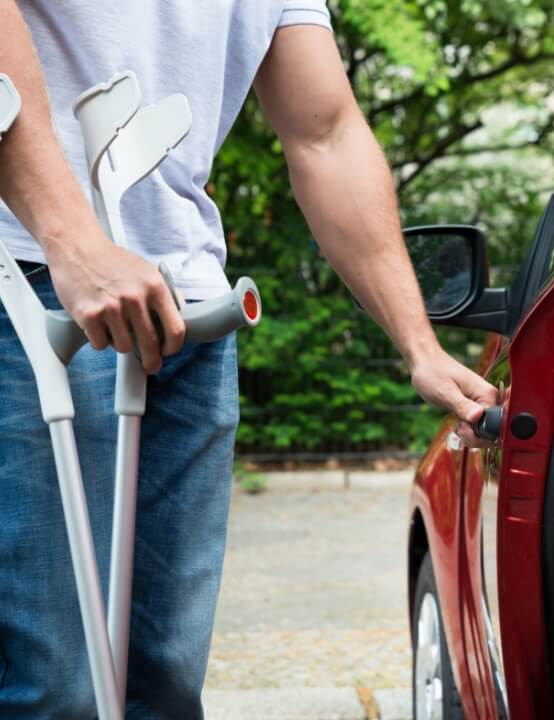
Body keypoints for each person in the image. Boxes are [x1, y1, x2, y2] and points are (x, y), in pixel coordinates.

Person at [0, 1, 497, 717]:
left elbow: (325, 133)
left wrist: (419, 344)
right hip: (32, 282)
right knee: (53, 684)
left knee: (163, 679)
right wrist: (72, 241)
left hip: (191, 307)